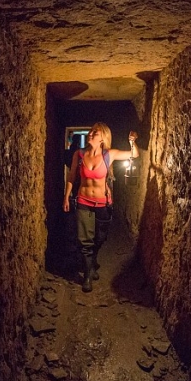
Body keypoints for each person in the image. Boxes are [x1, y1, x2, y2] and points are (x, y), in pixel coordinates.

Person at [62, 122, 139, 292]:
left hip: (102, 203)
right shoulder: (79, 154)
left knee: (100, 238)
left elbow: (134, 154)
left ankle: (91, 263)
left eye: (94, 133)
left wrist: (132, 141)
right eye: (90, 132)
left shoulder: (108, 155)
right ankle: (88, 275)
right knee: (85, 240)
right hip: (83, 201)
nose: (90, 134)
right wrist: (66, 196)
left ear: (103, 137)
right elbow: (72, 175)